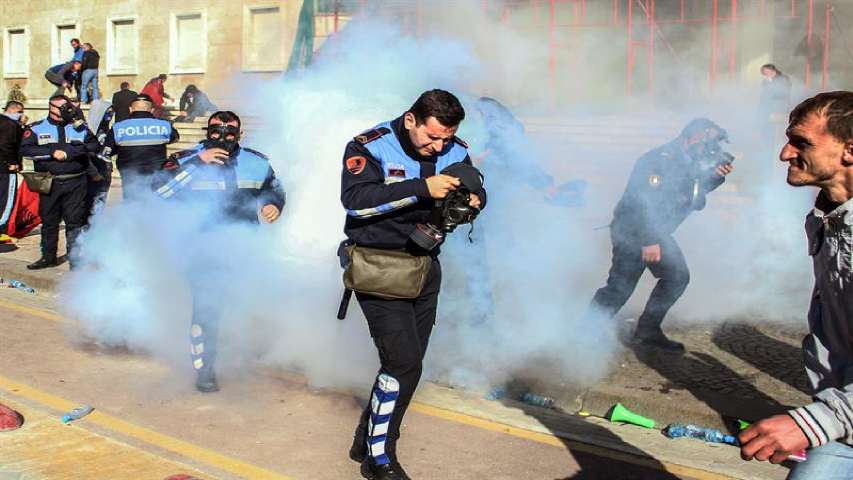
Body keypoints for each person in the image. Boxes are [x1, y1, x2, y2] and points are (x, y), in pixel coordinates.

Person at [342, 89, 486, 480]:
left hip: (425, 265)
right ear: (411, 120)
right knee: (403, 362)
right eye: (431, 137)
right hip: (378, 265)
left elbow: (474, 184)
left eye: (445, 138)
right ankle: (379, 459)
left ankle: (365, 438)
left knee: (408, 365)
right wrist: (421, 188)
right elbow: (355, 201)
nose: (438, 146)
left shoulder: (454, 148)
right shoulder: (368, 146)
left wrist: (474, 198)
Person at [739, 91, 853, 479]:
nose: (785, 154)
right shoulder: (829, 215)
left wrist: (812, 422)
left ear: (849, 150)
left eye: (801, 142)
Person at [152, 110, 285, 393]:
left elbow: (274, 188)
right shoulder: (184, 159)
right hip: (202, 248)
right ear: (206, 130)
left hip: (244, 247)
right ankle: (205, 370)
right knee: (208, 307)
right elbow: (160, 192)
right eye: (215, 130)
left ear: (240, 134)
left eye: (229, 131)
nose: (221, 136)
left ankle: (241, 357)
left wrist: (273, 203)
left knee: (243, 306)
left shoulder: (257, 162)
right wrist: (198, 164)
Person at [584, 118, 735, 352]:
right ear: (692, 136)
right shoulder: (657, 160)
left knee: (677, 277)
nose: (709, 148)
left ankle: (647, 330)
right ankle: (583, 334)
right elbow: (641, 202)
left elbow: (694, 195)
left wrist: (716, 175)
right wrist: (650, 240)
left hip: (657, 231)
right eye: (707, 141)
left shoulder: (691, 162)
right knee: (620, 287)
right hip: (634, 230)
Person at [19, 95, 98, 270]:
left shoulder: (79, 127)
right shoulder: (37, 128)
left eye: (68, 107)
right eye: (63, 107)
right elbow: (25, 149)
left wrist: (70, 152)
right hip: (49, 182)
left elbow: (94, 146)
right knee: (49, 221)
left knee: (74, 222)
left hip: (76, 181)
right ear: (52, 108)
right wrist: (51, 151)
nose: (68, 111)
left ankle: (75, 259)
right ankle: (48, 257)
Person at [101, 94, 179, 199]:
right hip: (156, 176)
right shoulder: (164, 125)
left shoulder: (118, 127)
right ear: (152, 110)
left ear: (130, 109)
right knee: (156, 204)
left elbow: (107, 151)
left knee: (132, 205)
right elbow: (175, 138)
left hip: (130, 177)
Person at [0, 101, 25, 243]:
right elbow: (6, 144)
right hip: (6, 168)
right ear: (14, 111)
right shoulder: (10, 124)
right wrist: (12, 162)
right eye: (20, 111)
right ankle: (1, 229)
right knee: (7, 199)